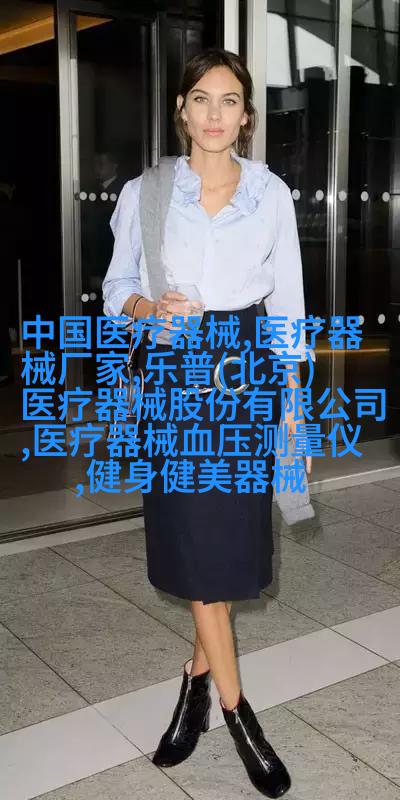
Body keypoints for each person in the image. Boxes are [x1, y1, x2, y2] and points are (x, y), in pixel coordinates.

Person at [102, 47, 313, 799]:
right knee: (197, 540)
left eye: (229, 100)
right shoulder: (147, 193)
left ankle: (193, 683)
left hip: (247, 374)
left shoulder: (270, 195)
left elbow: (288, 309)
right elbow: (116, 288)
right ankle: (237, 713)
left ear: (246, 116)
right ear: (182, 111)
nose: (215, 114)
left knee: (222, 551)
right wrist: (148, 308)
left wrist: (294, 414)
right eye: (201, 98)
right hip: (176, 379)